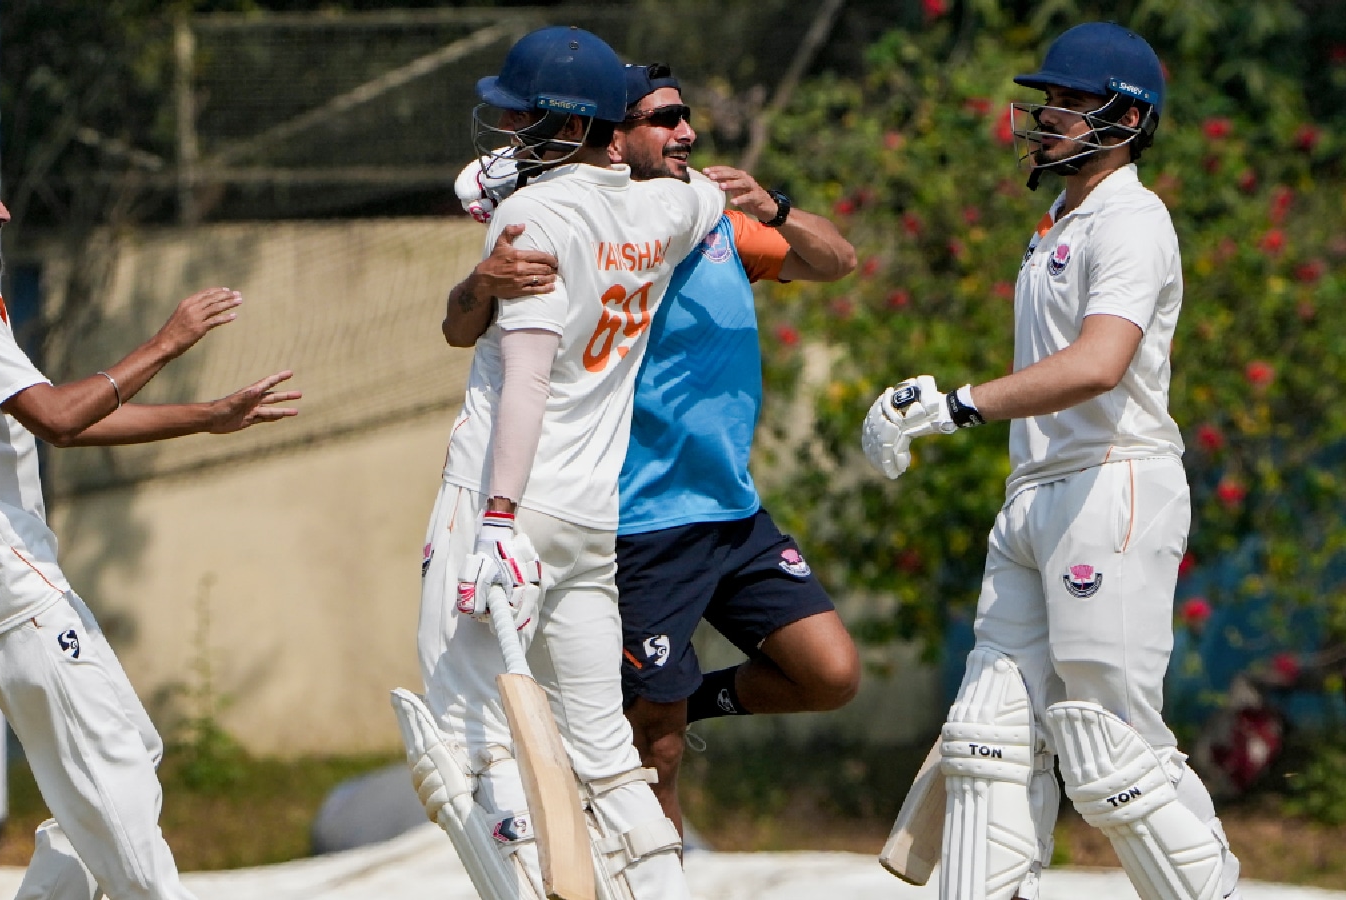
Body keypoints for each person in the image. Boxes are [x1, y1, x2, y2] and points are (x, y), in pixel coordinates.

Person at [0, 124, 300, 900]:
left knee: (124, 756)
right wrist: (167, 341)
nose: (3, 213)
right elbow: (65, 416)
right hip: (12, 593)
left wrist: (206, 415)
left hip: (16, 591)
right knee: (117, 792)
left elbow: (62, 416)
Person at [860, 23, 1242, 900]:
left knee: (1109, 743)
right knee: (989, 738)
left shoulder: (1135, 219)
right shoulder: (1061, 219)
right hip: (1034, 493)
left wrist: (957, 406)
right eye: (1051, 102)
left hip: (1112, 483)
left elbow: (1099, 363)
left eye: (1071, 102)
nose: (1050, 117)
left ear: (1128, 117)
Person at [445, 62, 862, 837]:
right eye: (663, 120)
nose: (687, 133)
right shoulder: (590, 225)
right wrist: (482, 278)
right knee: (653, 757)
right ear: (612, 137)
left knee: (829, 673)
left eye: (686, 116)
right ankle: (647, 862)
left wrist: (778, 206)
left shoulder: (710, 218)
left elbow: (837, 261)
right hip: (639, 520)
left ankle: (678, 694)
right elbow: (464, 328)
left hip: (731, 510)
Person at [392, 26, 724, 900]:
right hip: (587, 516)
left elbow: (527, 380)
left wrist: (497, 521)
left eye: (520, 117)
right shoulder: (667, 208)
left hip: (505, 500)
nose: (503, 132)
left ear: (568, 124)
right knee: (609, 760)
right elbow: (706, 199)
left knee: (465, 741)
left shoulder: (531, 217)